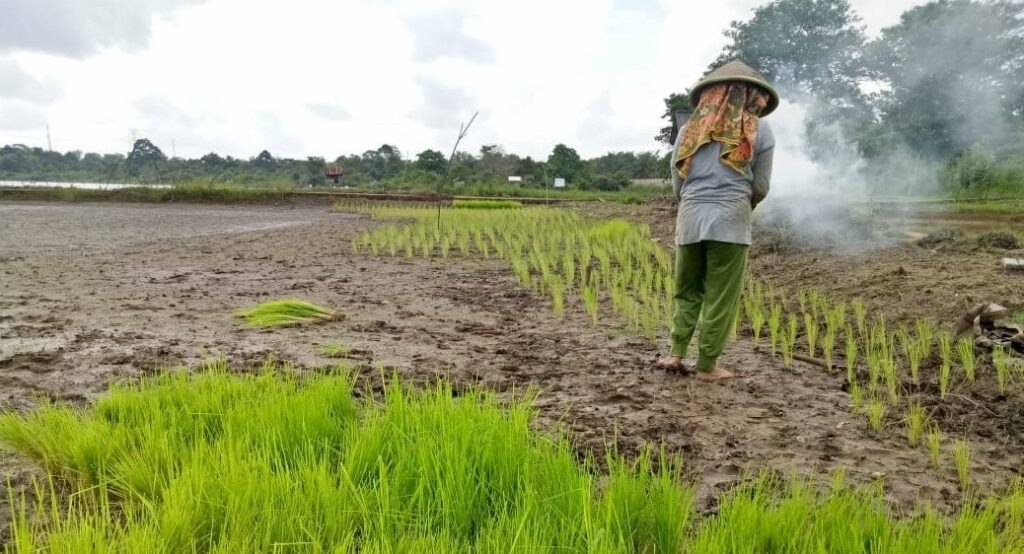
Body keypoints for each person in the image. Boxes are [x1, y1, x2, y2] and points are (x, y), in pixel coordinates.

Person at [656, 60, 779, 382]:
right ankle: (707, 366)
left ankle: (675, 353)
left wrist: (694, 201)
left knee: (687, 289)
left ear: (710, 95)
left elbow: (677, 180)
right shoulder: (759, 130)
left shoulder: (688, 130)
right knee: (719, 296)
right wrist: (741, 205)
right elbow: (761, 187)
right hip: (731, 221)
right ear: (749, 95)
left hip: (690, 218)